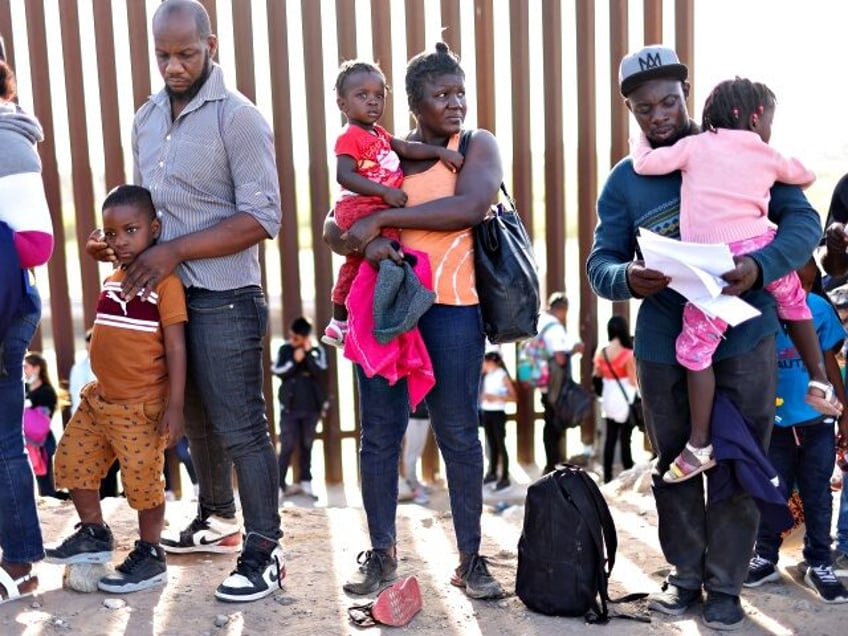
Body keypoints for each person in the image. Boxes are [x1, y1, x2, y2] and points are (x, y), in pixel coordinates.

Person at [587, 45, 821, 630]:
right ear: (631, 113)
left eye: (669, 101)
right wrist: (628, 278)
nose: (660, 116)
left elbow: (804, 222)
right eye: (645, 110)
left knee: (741, 460)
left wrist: (763, 267)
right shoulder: (627, 180)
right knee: (676, 462)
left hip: (746, 335)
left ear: (686, 97)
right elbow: (602, 261)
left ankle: (725, 586)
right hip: (667, 341)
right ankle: (685, 576)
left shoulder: (739, 146)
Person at [85, 0, 283, 602]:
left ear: (211, 44)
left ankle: (265, 552)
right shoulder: (146, 117)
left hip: (224, 294)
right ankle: (217, 519)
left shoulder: (239, 119)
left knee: (241, 424)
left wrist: (172, 252)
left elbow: (263, 216)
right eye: (163, 56)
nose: (174, 67)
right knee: (194, 416)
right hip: (163, 300)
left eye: (186, 54)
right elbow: (151, 214)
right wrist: (121, 245)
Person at [323, 42, 505, 600]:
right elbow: (336, 226)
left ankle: (471, 560)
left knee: (457, 432)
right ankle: (381, 555)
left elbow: (469, 208)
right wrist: (368, 243)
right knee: (379, 434)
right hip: (388, 309)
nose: (455, 104)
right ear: (413, 103)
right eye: (441, 95)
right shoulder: (382, 151)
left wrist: (387, 218)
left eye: (460, 93)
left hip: (453, 310)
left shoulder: (473, 146)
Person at [630, 77, 837, 484]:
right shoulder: (765, 152)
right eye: (769, 123)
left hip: (713, 267)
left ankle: (700, 442)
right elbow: (805, 175)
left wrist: (640, 137)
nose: (768, 131)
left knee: (694, 351)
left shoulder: (693, 146)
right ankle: (820, 381)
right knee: (794, 303)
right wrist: (763, 164)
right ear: (754, 117)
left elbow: (644, 163)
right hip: (760, 249)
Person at [44, 185, 187, 594]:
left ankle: (150, 553)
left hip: (140, 407)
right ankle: (93, 531)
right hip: (99, 400)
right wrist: (101, 248)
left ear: (154, 229)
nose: (120, 240)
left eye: (131, 230)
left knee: (143, 482)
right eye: (112, 233)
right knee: (72, 459)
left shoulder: (166, 284)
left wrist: (175, 404)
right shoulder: (113, 277)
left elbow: (176, 346)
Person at [322, 60, 464, 348]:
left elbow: (408, 148)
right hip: (361, 204)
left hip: (376, 205)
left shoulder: (380, 134)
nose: (372, 102)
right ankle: (364, 315)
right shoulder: (349, 136)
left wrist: (439, 152)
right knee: (387, 252)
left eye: (379, 95)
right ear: (342, 104)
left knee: (364, 261)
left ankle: (346, 320)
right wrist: (384, 194)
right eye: (362, 96)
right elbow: (344, 175)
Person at [743, 258, 848, 603]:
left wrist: (845, 415)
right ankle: (765, 556)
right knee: (773, 490)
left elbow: (830, 361)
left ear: (813, 274)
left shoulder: (818, 308)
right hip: (776, 423)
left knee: (818, 492)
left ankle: (819, 562)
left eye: (803, 263)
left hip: (817, 421)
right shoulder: (761, 309)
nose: (794, 270)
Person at [0, 57, 54, 606]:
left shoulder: (7, 142)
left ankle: (19, 564)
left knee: (1, 441)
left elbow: (37, 243)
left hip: (4, 310)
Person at [272, 317, 327, 499]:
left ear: (305, 337)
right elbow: (278, 371)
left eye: (297, 338)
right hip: (290, 407)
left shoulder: (316, 350)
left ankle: (306, 481)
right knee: (287, 445)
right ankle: (280, 485)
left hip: (311, 406)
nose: (292, 339)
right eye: (292, 336)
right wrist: (295, 360)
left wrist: (308, 354)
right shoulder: (285, 349)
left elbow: (320, 371)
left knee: (307, 444)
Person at [69, 328, 121, 498]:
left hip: (116, 423)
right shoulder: (79, 368)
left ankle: (116, 500)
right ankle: (105, 501)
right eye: (88, 345)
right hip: (93, 425)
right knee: (100, 469)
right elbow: (77, 398)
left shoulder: (116, 365)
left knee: (120, 466)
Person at [538, 292, 584, 474]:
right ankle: (552, 464)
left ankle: (551, 463)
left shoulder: (542, 323)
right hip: (554, 385)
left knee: (549, 422)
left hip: (545, 382)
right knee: (553, 424)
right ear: (563, 310)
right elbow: (560, 358)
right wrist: (573, 350)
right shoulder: (555, 328)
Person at [593, 316, 638, 484]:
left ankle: (607, 476)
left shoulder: (601, 352)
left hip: (608, 398)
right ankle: (628, 473)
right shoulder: (627, 354)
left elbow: (597, 375)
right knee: (626, 438)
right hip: (624, 399)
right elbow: (633, 380)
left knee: (610, 439)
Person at [480, 350, 516, 491]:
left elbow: (514, 397)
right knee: (491, 443)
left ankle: (505, 476)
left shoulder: (502, 375)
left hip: (498, 413)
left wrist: (496, 398)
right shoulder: (487, 375)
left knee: (500, 444)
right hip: (487, 412)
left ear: (491, 362)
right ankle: (492, 472)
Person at [24, 352, 59, 498]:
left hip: (42, 442)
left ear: (37, 368)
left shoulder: (46, 391)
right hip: (27, 442)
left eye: (26, 367)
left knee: (46, 487)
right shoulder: (24, 389)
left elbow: (43, 421)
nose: (24, 371)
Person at [402, 401, 431, 505]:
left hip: (424, 412)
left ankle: (413, 482)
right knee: (412, 452)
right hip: (413, 413)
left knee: (417, 451)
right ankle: (412, 486)